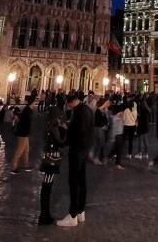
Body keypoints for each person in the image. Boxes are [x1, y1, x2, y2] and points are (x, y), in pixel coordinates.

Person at [57, 92, 95, 227]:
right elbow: (89, 129)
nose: (68, 107)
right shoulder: (88, 110)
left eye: (69, 104)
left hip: (77, 150)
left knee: (73, 182)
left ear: (71, 102)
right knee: (82, 180)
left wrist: (64, 138)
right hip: (85, 149)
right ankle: (80, 211)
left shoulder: (78, 113)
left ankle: (72, 215)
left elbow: (76, 133)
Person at [37, 106, 67, 225]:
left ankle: (44, 214)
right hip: (52, 158)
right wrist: (64, 130)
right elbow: (61, 141)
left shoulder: (48, 126)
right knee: (47, 186)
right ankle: (44, 215)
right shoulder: (54, 128)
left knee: (47, 185)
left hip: (50, 157)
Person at [10, 96, 36, 173]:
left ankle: (26, 165)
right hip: (23, 133)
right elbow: (24, 122)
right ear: (32, 103)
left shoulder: (28, 110)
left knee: (26, 150)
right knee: (19, 151)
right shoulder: (27, 111)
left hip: (25, 133)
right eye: (34, 102)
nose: (35, 104)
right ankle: (13, 167)